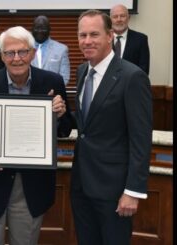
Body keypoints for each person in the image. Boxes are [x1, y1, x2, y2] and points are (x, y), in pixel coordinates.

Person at [0, 26, 73, 245]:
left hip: (31, 187)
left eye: (22, 52)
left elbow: (65, 130)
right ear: (1, 56)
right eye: (10, 53)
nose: (17, 58)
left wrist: (61, 113)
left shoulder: (52, 82)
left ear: (33, 53)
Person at [71, 9, 152, 245]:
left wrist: (133, 191)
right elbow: (88, 126)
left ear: (110, 36)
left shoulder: (131, 76)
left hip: (115, 192)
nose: (87, 41)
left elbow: (140, 138)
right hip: (82, 187)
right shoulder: (81, 71)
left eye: (94, 34)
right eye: (82, 35)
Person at [110, 4, 150, 75]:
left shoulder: (141, 39)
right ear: (110, 19)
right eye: (115, 17)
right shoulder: (103, 38)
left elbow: (144, 69)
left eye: (122, 16)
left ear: (129, 18)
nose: (119, 19)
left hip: (131, 84)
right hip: (107, 84)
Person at [31, 15, 70, 85]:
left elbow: (64, 77)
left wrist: (53, 90)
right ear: (32, 29)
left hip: (52, 94)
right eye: (37, 28)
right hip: (29, 94)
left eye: (43, 28)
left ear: (49, 29)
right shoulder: (25, 48)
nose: (40, 31)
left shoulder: (62, 49)